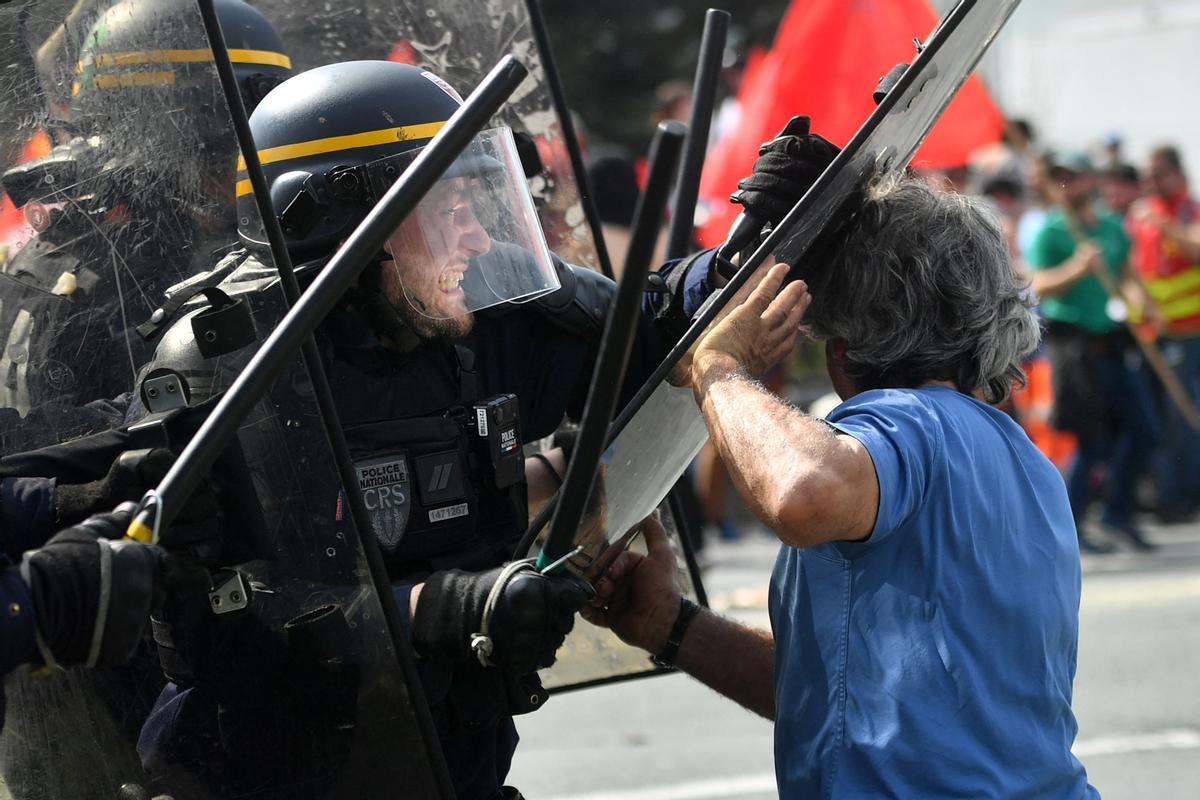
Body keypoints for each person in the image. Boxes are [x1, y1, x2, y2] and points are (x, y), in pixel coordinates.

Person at [131, 59, 820, 799]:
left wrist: (736, 261)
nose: (478, 239)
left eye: (474, 203)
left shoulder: (466, 313)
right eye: (446, 210)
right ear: (349, 224)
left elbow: (639, 334)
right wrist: (446, 608)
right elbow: (223, 629)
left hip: (455, 767)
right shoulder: (233, 367)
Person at [584, 171, 1098, 798]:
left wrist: (716, 366)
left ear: (843, 349)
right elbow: (839, 696)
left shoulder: (915, 421)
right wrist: (672, 625)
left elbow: (801, 492)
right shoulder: (1022, 461)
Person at [1027, 150, 1159, 551]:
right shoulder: (1052, 231)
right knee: (1090, 438)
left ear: (1090, 180)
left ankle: (1118, 514)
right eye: (1061, 178)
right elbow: (1037, 284)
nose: (1068, 185)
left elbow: (1126, 276)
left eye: (1075, 177)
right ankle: (1072, 524)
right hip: (1075, 345)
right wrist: (1076, 269)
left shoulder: (1111, 227)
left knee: (1144, 429)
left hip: (1112, 342)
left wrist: (1143, 303)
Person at [1128, 145, 1200, 522]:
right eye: (1148, 175)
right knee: (1157, 419)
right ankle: (1164, 492)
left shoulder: (1188, 211)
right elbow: (1132, 270)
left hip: (1189, 333)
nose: (1152, 182)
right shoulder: (1141, 218)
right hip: (1152, 334)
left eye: (1159, 174)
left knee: (1182, 416)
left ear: (1177, 173)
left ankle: (1182, 496)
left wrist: (1166, 225)